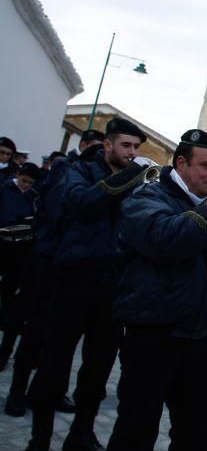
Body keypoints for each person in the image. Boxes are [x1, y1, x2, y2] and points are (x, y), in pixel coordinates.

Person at [106, 129, 207, 451]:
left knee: (199, 429)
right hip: (153, 334)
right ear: (180, 163)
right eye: (205, 166)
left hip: (201, 336)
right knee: (136, 429)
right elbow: (167, 240)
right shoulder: (147, 197)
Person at [26, 118, 149, 451]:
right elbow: (83, 204)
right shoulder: (78, 171)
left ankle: (81, 432)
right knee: (54, 361)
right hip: (74, 281)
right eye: (126, 145)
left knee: (98, 367)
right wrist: (126, 179)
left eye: (136, 148)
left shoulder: (137, 181)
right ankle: (39, 436)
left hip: (113, 285)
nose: (132, 153)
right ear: (107, 144)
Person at [4, 132, 104, 417]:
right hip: (50, 266)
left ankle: (53, 390)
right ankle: (17, 392)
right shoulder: (68, 177)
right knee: (35, 332)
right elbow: (56, 219)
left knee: (61, 342)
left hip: (77, 271)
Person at [0, 162, 41, 369]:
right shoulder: (5, 189)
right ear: (18, 175)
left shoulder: (34, 197)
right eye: (24, 181)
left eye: (30, 183)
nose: (25, 185)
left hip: (20, 253)